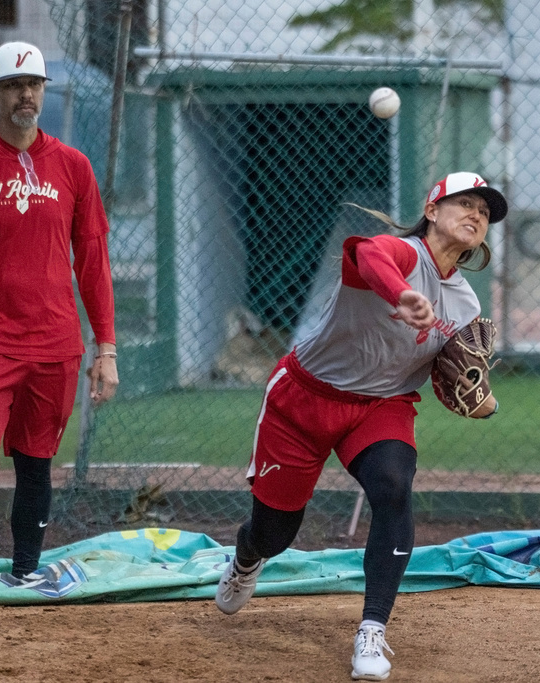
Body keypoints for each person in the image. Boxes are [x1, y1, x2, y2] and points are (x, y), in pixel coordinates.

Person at [214, 171, 505, 680]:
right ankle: (245, 558)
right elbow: (371, 255)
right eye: (464, 202)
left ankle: (372, 630)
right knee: (275, 534)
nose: (476, 214)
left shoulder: (466, 305)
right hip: (303, 399)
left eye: (484, 211)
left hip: (380, 405)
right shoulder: (398, 252)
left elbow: (452, 374)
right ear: (432, 210)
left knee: (394, 487)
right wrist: (403, 294)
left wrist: (480, 399)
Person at [0, 41, 118, 581]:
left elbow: (94, 263)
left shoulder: (74, 167)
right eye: (12, 85)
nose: (24, 94)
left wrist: (107, 349)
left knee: (36, 463)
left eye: (32, 84)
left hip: (56, 344)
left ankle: (26, 574)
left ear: (42, 91)